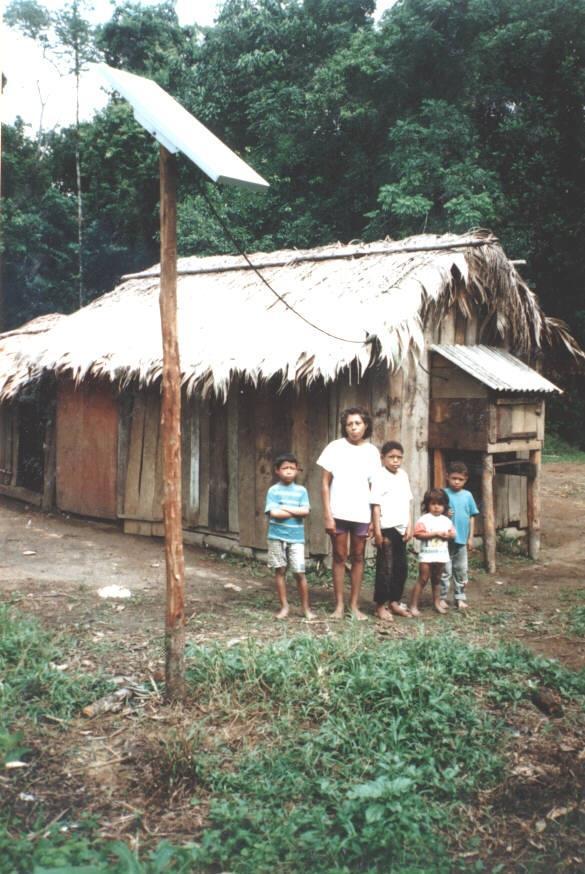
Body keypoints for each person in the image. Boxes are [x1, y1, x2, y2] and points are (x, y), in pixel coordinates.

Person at [317, 406, 381, 620]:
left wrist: (374, 519)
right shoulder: (335, 447)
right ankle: (338, 606)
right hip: (339, 512)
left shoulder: (372, 452)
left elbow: (375, 488)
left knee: (358, 557)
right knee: (339, 557)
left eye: (358, 424)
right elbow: (325, 483)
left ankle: (354, 606)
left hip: (362, 514)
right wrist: (328, 514)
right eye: (349, 424)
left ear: (366, 425)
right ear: (345, 427)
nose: (353, 428)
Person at [265, 453, 316, 620]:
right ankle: (284, 607)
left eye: (292, 468)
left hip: (296, 538)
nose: (289, 471)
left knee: (299, 572)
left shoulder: (301, 491)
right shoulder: (273, 490)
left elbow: (305, 511)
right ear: (277, 471)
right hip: (276, 537)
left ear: (297, 471)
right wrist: (295, 510)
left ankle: (306, 608)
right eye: (285, 468)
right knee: (280, 570)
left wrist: (284, 508)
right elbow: (274, 513)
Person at [370, 441, 413, 621]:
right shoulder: (379, 476)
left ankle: (394, 602)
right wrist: (378, 532)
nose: (395, 461)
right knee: (385, 568)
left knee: (401, 568)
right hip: (386, 528)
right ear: (382, 458)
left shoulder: (403, 475)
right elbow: (376, 507)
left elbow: (408, 502)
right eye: (391, 457)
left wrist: (410, 525)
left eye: (399, 457)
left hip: (402, 528)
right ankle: (380, 605)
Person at [439, 461, 480, 611]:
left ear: (465, 480)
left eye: (460, 479)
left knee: (461, 569)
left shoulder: (468, 496)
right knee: (445, 570)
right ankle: (442, 597)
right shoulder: (443, 494)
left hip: (462, 540)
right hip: (445, 540)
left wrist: (470, 537)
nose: (456, 482)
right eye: (454, 478)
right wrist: (444, 513)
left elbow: (472, 517)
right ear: (447, 477)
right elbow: (434, 513)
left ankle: (460, 597)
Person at [409, 488, 455, 617]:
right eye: (433, 504)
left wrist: (449, 535)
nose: (436, 507)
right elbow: (417, 534)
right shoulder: (424, 519)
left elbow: (453, 533)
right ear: (427, 504)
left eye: (440, 504)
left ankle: (437, 603)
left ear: (444, 506)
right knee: (423, 579)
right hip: (427, 555)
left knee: (437, 579)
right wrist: (435, 533)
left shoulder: (446, 520)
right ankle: (413, 605)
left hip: (441, 554)